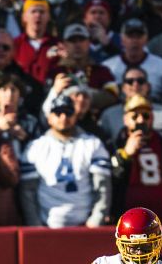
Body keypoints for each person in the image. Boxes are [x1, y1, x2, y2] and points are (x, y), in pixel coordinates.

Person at [20, 95, 113, 228]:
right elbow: (28, 192)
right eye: (58, 113)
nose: (63, 117)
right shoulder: (35, 147)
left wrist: (96, 221)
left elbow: (102, 188)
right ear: (49, 117)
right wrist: (36, 227)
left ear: (75, 116)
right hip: (47, 225)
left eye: (68, 112)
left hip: (85, 225)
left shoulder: (93, 144)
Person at [108, 96, 162, 221]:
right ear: (125, 119)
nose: (141, 120)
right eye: (135, 116)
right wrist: (125, 155)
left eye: (145, 116)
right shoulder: (114, 145)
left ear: (152, 118)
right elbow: (110, 181)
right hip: (127, 218)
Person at [99, 70, 162, 150]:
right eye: (130, 81)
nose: (135, 84)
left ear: (148, 86)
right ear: (123, 88)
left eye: (140, 81)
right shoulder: (109, 114)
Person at [101, 17, 162, 104]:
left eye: (139, 36)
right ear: (122, 39)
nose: (135, 41)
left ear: (146, 39)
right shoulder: (107, 67)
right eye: (130, 36)